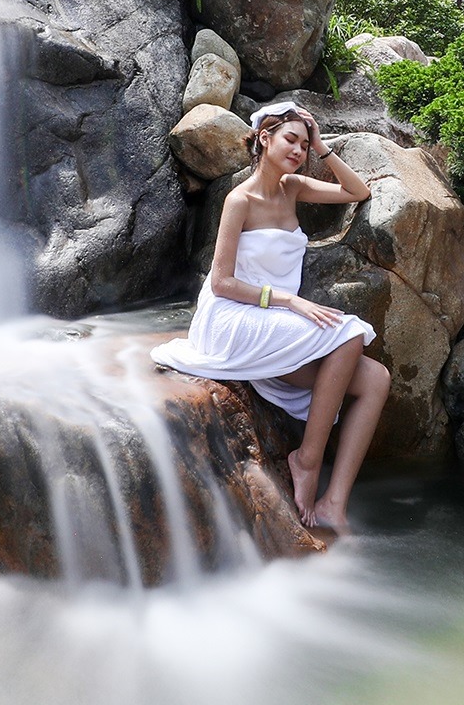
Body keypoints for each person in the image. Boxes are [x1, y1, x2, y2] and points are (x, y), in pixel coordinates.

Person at [151, 103, 391, 533]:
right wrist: (290, 301)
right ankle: (307, 460)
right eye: (290, 140)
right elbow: (221, 282)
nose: (298, 150)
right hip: (233, 317)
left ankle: (334, 502)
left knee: (376, 379)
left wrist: (322, 146)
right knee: (350, 334)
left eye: (303, 144)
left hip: (275, 326)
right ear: (265, 138)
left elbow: (356, 192)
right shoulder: (239, 200)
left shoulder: (294, 187)